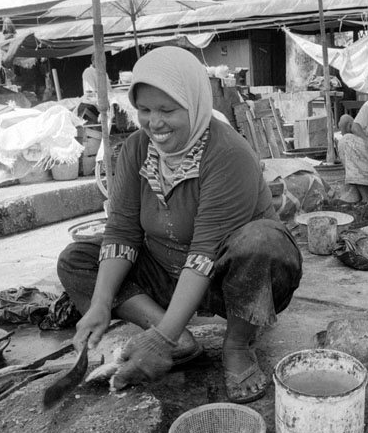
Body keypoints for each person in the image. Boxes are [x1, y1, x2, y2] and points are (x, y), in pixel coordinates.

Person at [57, 47, 303, 403]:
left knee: (263, 241)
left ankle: (236, 345)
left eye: (167, 110)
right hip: (166, 272)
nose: (153, 122)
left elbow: (204, 252)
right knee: (76, 259)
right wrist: (100, 303)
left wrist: (159, 343)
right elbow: (122, 231)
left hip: (230, 280)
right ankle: (177, 337)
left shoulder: (228, 154)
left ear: (194, 103)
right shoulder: (136, 149)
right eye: (144, 110)